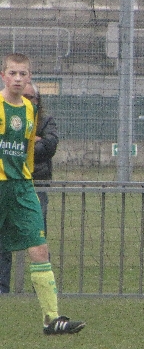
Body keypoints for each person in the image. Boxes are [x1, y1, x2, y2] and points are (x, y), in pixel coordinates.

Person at [0, 53, 84, 334]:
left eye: (23, 74)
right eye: (13, 73)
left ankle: (52, 319)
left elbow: (29, 150)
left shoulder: (29, 110)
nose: (18, 78)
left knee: (39, 248)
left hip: (23, 188)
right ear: (3, 76)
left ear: (29, 78)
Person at [0, 82, 58, 294]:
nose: (28, 100)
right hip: (6, 184)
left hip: (35, 185)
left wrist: (27, 144)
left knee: (38, 239)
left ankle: (41, 291)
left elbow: (48, 146)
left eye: (32, 97)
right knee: (3, 241)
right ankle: (2, 289)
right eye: (24, 95)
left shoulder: (44, 120)